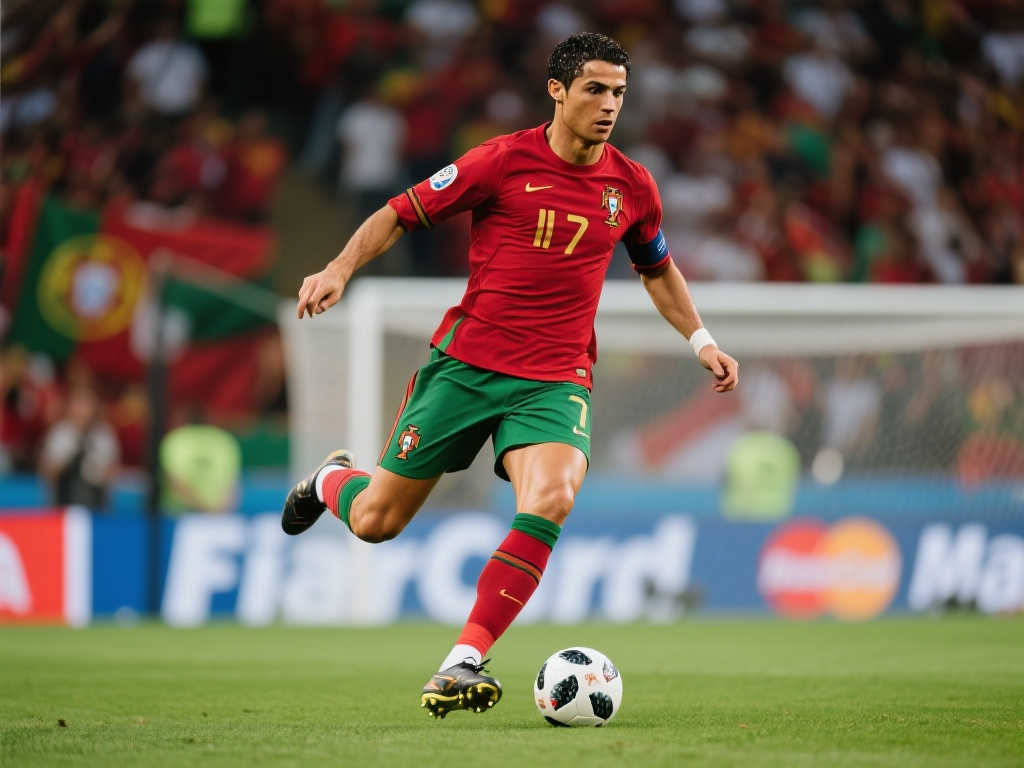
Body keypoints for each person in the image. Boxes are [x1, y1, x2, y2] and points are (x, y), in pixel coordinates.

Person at [282, 32, 739, 719]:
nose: (609, 105)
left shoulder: (632, 186)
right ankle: (330, 480)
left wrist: (701, 340)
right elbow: (398, 212)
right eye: (594, 89)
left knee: (552, 497)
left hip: (556, 379)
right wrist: (339, 268)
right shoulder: (500, 161)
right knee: (376, 521)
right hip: (465, 369)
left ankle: (462, 659)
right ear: (557, 90)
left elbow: (657, 268)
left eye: (619, 92)